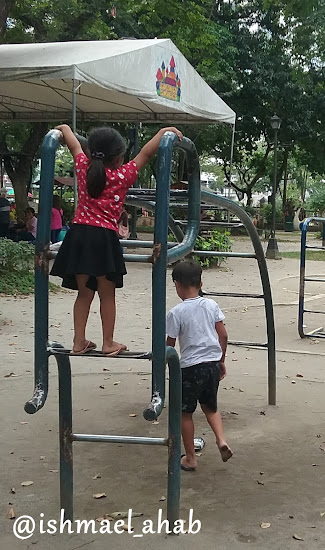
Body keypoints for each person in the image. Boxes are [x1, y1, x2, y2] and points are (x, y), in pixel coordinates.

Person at [50, 124, 183, 355]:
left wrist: (66, 129)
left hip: (79, 236)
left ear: (91, 152)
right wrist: (161, 133)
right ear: (120, 157)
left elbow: (73, 144)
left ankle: (78, 340)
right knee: (107, 294)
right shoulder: (122, 175)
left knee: (84, 294)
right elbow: (147, 153)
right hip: (103, 239)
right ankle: (108, 342)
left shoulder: (83, 167)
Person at [166, 259, 232, 472]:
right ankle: (221, 440)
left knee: (185, 413)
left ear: (176, 284)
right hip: (212, 364)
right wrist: (221, 359)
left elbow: (170, 345)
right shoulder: (211, 305)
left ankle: (190, 458)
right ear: (201, 283)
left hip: (190, 368)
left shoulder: (176, 312)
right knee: (210, 407)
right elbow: (223, 334)